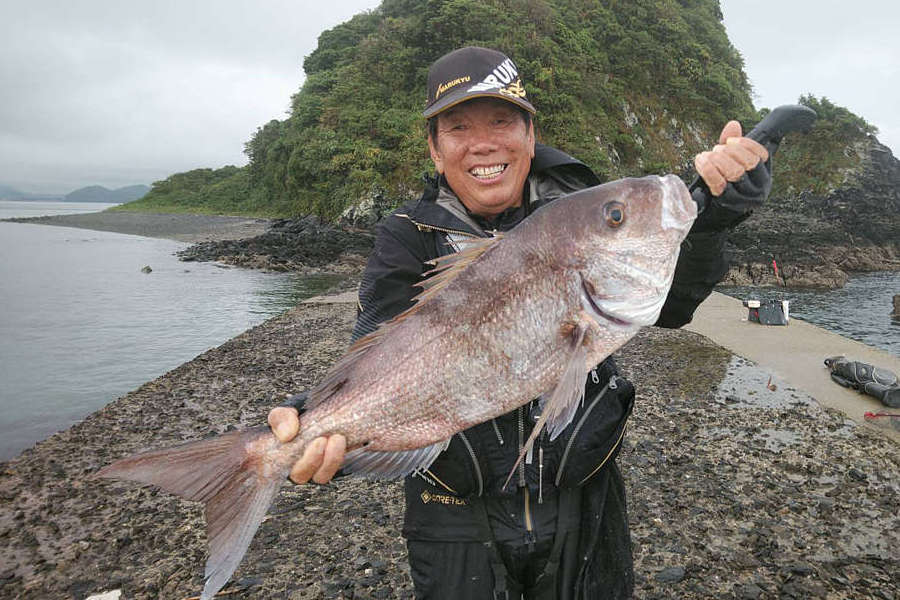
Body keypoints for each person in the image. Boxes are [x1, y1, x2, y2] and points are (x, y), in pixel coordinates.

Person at [268, 46, 771, 599]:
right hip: (453, 517)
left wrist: (713, 219)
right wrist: (312, 418)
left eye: (502, 121)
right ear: (436, 152)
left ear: (530, 136)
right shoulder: (407, 234)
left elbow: (671, 306)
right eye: (458, 127)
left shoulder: (575, 210)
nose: (483, 143)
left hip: (585, 500)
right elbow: (379, 344)